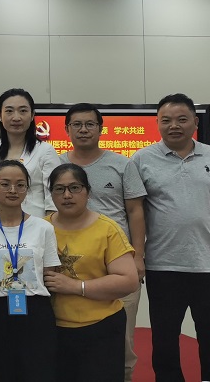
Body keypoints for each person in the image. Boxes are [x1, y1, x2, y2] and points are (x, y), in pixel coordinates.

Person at [130, 93, 210, 382]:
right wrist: (138, 255)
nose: (174, 126)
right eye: (166, 120)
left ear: (195, 121)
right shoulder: (142, 159)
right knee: (165, 342)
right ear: (157, 123)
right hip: (163, 266)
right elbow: (135, 211)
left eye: (182, 119)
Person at [58, 102, 147, 381]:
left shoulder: (122, 164)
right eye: (77, 124)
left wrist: (138, 256)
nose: (83, 130)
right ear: (67, 129)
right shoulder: (56, 164)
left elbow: (135, 211)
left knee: (122, 343)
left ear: (100, 129)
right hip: (68, 265)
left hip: (117, 263)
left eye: (90, 124)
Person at [42, 163, 139, 382]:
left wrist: (76, 287)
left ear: (88, 192)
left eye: (75, 188)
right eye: (59, 189)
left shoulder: (107, 229)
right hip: (52, 330)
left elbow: (128, 281)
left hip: (101, 328)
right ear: (51, 194)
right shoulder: (40, 228)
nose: (67, 195)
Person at [0, 160, 60, 382]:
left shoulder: (43, 227)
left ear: (27, 188)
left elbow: (50, 274)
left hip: (36, 310)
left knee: (39, 372)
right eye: (5, 184)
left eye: (20, 185)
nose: (13, 190)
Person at [0, 88, 59, 217]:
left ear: (32, 115)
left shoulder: (45, 151)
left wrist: (48, 225)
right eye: (9, 111)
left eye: (23, 111)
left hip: (36, 222)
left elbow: (53, 198)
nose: (16, 117)